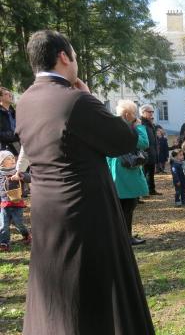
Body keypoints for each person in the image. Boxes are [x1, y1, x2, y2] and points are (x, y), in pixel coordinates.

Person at [16, 30, 154, 334]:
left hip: (46, 212)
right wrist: (91, 98)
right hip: (85, 212)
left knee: (54, 287)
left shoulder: (25, 101)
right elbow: (123, 139)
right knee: (94, 290)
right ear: (64, 56)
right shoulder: (75, 100)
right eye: (74, 55)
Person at [106, 100, 149, 246]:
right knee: (128, 206)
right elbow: (144, 143)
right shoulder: (126, 128)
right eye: (134, 114)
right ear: (126, 114)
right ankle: (126, 238)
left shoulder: (110, 127)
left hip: (114, 171)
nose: (136, 117)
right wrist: (139, 127)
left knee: (120, 207)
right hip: (125, 172)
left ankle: (120, 236)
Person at [0, 151, 31, 251]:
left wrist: (21, 176)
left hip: (17, 203)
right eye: (8, 158)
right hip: (4, 204)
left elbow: (29, 178)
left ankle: (26, 235)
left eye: (13, 157)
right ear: (1, 162)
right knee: (4, 225)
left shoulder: (18, 171)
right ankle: (4, 243)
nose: (12, 160)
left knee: (18, 223)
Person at [140, 103, 161, 196]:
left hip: (152, 152)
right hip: (145, 152)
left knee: (151, 172)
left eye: (152, 112)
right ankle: (143, 192)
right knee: (144, 173)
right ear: (143, 112)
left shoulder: (150, 123)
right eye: (150, 112)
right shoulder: (141, 123)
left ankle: (151, 189)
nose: (152, 114)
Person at [0, 87, 20, 155]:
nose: (10, 95)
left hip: (17, 146)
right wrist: (15, 135)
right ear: (0, 98)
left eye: (10, 94)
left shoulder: (14, 112)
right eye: (6, 94)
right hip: (4, 150)